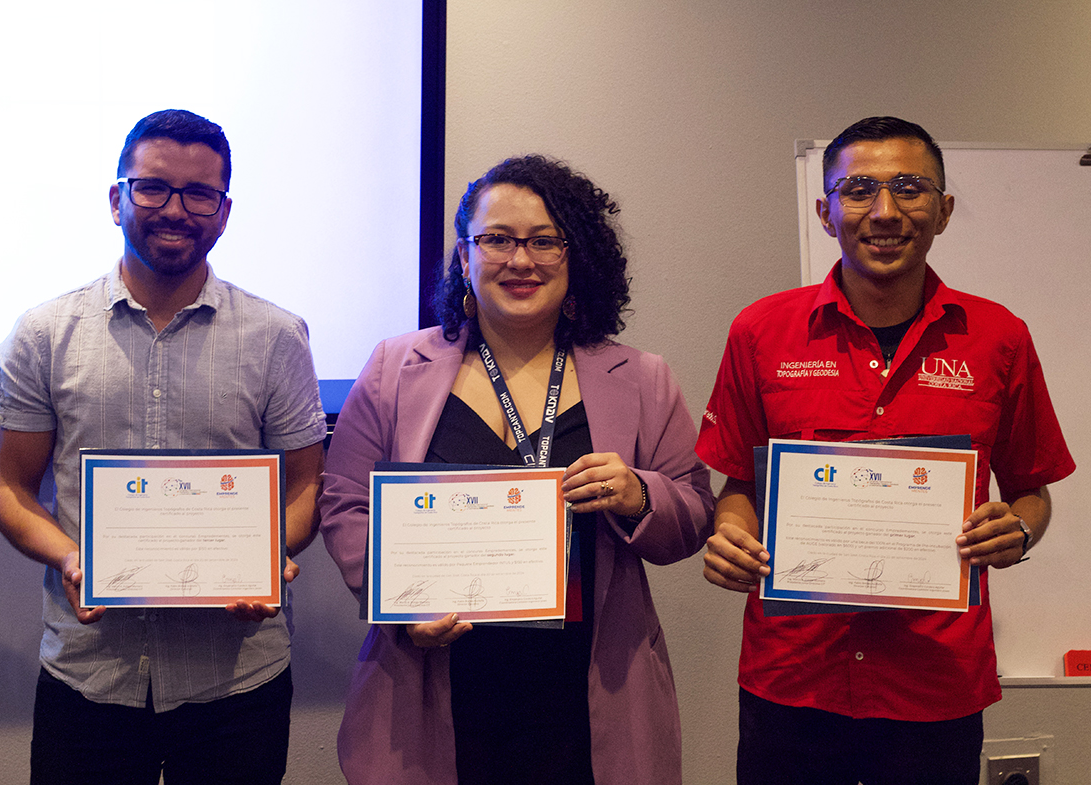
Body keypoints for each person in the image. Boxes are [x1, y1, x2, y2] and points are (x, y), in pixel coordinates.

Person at [695, 116, 1076, 785]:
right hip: (792, 680)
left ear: (944, 210)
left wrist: (1018, 530)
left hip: (935, 685)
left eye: (909, 188)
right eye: (859, 190)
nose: (885, 212)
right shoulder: (760, 331)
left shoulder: (998, 337)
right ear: (826, 212)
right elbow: (739, 486)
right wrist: (731, 535)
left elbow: (1031, 490)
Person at [319, 154, 713, 784]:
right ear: (464, 255)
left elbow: (693, 513)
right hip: (434, 679)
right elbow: (345, 500)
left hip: (588, 695)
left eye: (544, 241)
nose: (520, 260)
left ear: (576, 255)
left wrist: (640, 493)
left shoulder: (642, 377)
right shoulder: (394, 367)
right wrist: (398, 603)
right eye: (497, 239)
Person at [0, 109, 326, 785]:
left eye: (199, 194)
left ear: (223, 214)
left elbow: (305, 489)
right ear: (117, 200)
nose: (174, 209)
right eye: (152, 188)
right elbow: (9, 489)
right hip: (90, 674)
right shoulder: (44, 333)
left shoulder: (277, 336)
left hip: (237, 681)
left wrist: (267, 556)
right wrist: (71, 557)